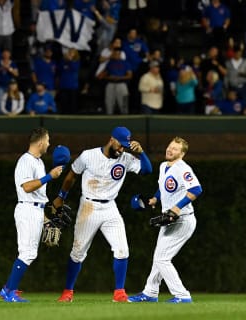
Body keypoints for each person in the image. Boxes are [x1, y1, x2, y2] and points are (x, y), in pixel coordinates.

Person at [55, 126, 153, 303]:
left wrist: (142, 153)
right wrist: (61, 197)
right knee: (77, 252)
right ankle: (67, 291)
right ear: (112, 140)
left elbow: (147, 170)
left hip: (110, 207)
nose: (122, 149)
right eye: (120, 145)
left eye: (125, 146)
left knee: (122, 249)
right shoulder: (88, 155)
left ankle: (119, 292)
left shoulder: (125, 158)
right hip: (88, 207)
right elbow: (71, 176)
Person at [128, 136, 202, 304]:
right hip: (169, 220)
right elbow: (164, 186)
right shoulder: (163, 166)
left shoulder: (183, 168)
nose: (170, 150)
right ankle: (150, 293)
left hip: (183, 220)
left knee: (162, 259)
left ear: (182, 154)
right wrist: (155, 199)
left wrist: (177, 207)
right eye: (170, 146)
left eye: (175, 149)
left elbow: (196, 189)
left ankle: (183, 295)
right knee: (158, 258)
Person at [0, 127, 65, 303]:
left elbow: (38, 196)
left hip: (35, 209)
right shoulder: (25, 161)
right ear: (41, 142)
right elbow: (26, 187)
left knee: (29, 252)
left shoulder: (38, 162)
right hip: (26, 209)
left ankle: (7, 288)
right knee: (27, 253)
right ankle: (10, 292)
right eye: (48, 140)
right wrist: (50, 177)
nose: (49, 144)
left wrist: (45, 219)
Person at [98, 48, 133, 115]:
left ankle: (125, 120)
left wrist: (119, 77)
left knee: (124, 105)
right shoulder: (110, 63)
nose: (116, 55)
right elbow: (102, 75)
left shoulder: (125, 63)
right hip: (111, 84)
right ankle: (109, 118)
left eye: (118, 54)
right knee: (109, 104)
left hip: (121, 84)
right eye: (115, 54)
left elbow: (130, 75)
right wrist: (109, 77)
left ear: (120, 54)